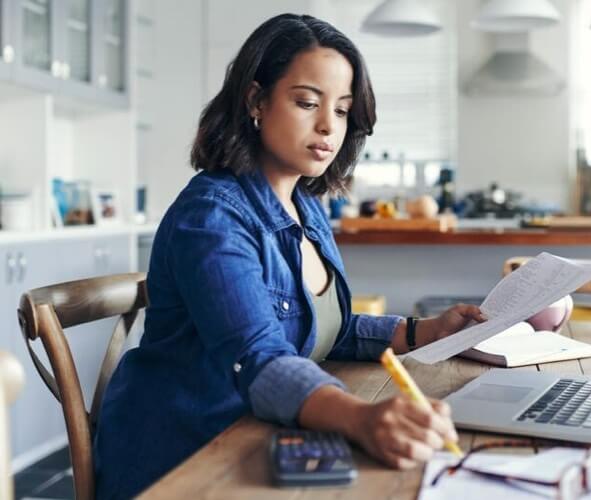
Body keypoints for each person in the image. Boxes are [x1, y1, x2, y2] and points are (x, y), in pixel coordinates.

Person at [93, 13, 485, 499]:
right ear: (256, 100)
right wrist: (362, 418)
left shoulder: (306, 206)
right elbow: (260, 357)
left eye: (342, 111)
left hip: (258, 437)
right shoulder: (212, 217)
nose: (328, 126)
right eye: (307, 102)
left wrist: (421, 332)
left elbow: (323, 327)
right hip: (187, 458)